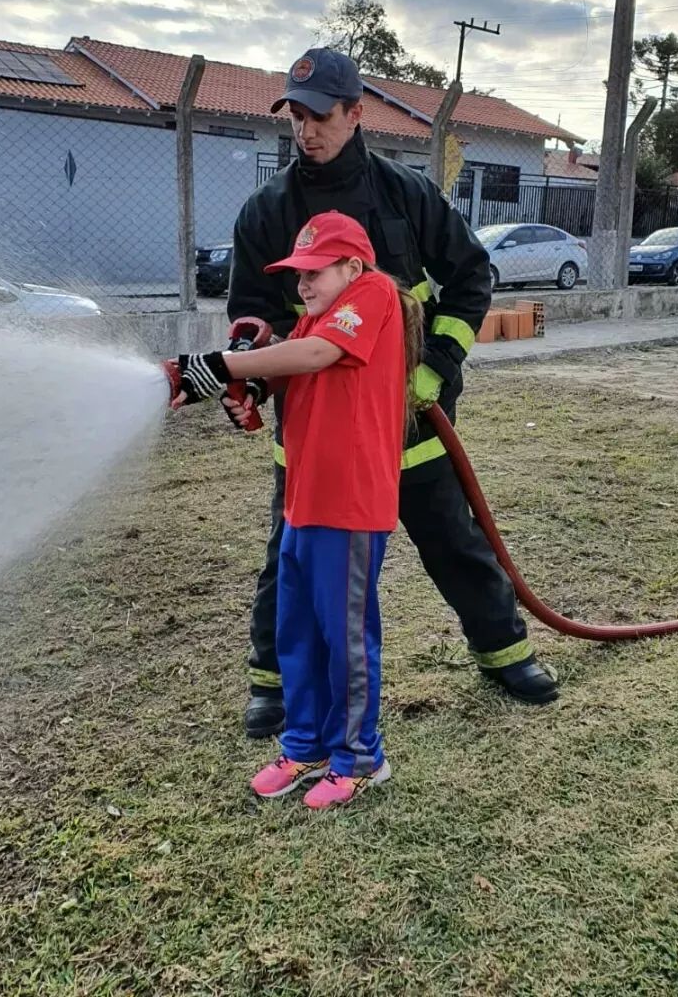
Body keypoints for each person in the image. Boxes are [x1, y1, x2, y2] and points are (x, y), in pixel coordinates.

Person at [227, 47, 557, 738]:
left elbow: (470, 278)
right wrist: (251, 374)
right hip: (315, 426)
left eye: (320, 116)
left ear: (355, 113)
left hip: (410, 418)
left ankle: (505, 653)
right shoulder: (266, 210)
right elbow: (253, 315)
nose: (305, 130)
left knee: (451, 537)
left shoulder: (406, 194)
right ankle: (272, 683)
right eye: (295, 116)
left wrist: (433, 368)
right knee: (292, 554)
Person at [171, 212, 423, 807]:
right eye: (298, 273)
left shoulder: (374, 294)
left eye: (315, 271)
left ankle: (360, 758)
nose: (303, 283)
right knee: (298, 632)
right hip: (304, 498)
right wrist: (253, 389)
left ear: (353, 267)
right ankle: (306, 744)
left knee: (345, 637)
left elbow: (315, 356)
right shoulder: (318, 314)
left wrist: (218, 366)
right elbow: (296, 365)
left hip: (350, 502)